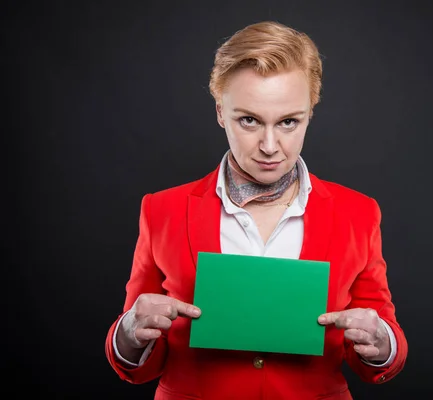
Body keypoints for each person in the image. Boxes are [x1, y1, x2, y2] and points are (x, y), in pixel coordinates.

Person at [105, 20, 408, 400]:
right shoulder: (160, 209)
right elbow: (136, 359)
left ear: (310, 113)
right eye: (248, 120)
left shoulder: (359, 213)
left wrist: (381, 343)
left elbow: (381, 343)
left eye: (288, 122)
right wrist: (130, 331)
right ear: (220, 112)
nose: (269, 145)